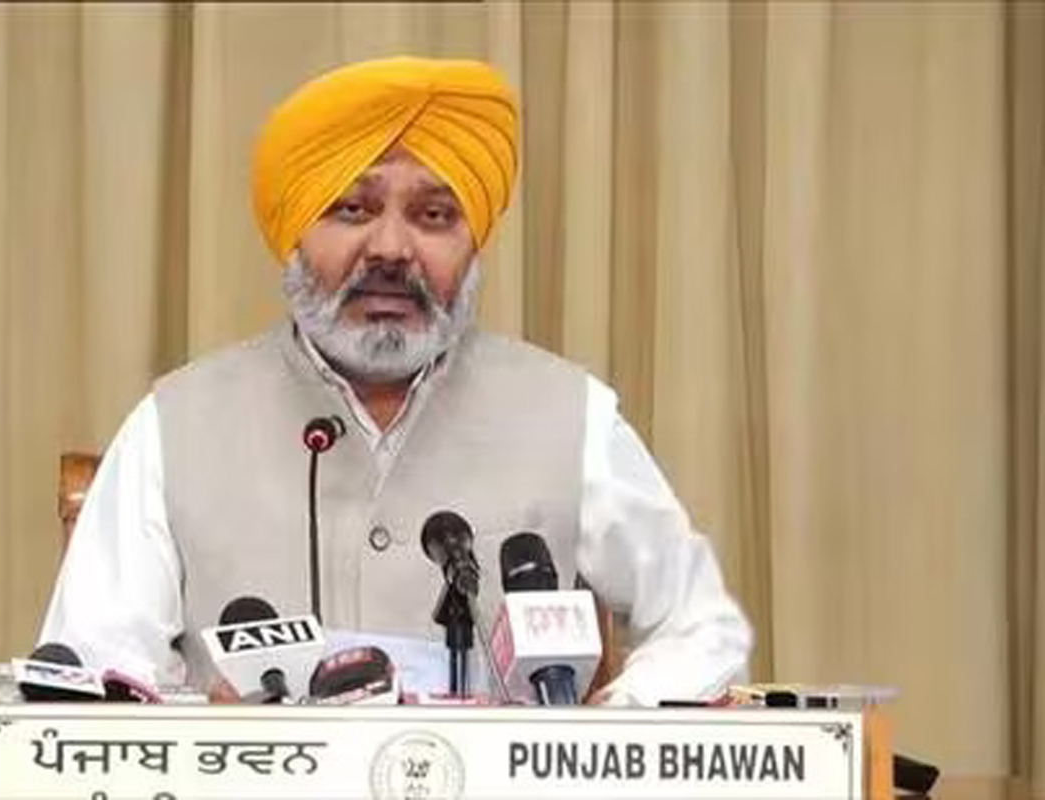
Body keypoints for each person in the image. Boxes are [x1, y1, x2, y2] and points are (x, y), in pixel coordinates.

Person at [38, 55, 751, 705]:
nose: (390, 249)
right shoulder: (176, 425)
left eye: (433, 216)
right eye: (352, 209)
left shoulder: (570, 416)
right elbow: (99, 677)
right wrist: (212, 735)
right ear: (295, 231)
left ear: (472, 244)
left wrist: (600, 738)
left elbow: (702, 629)